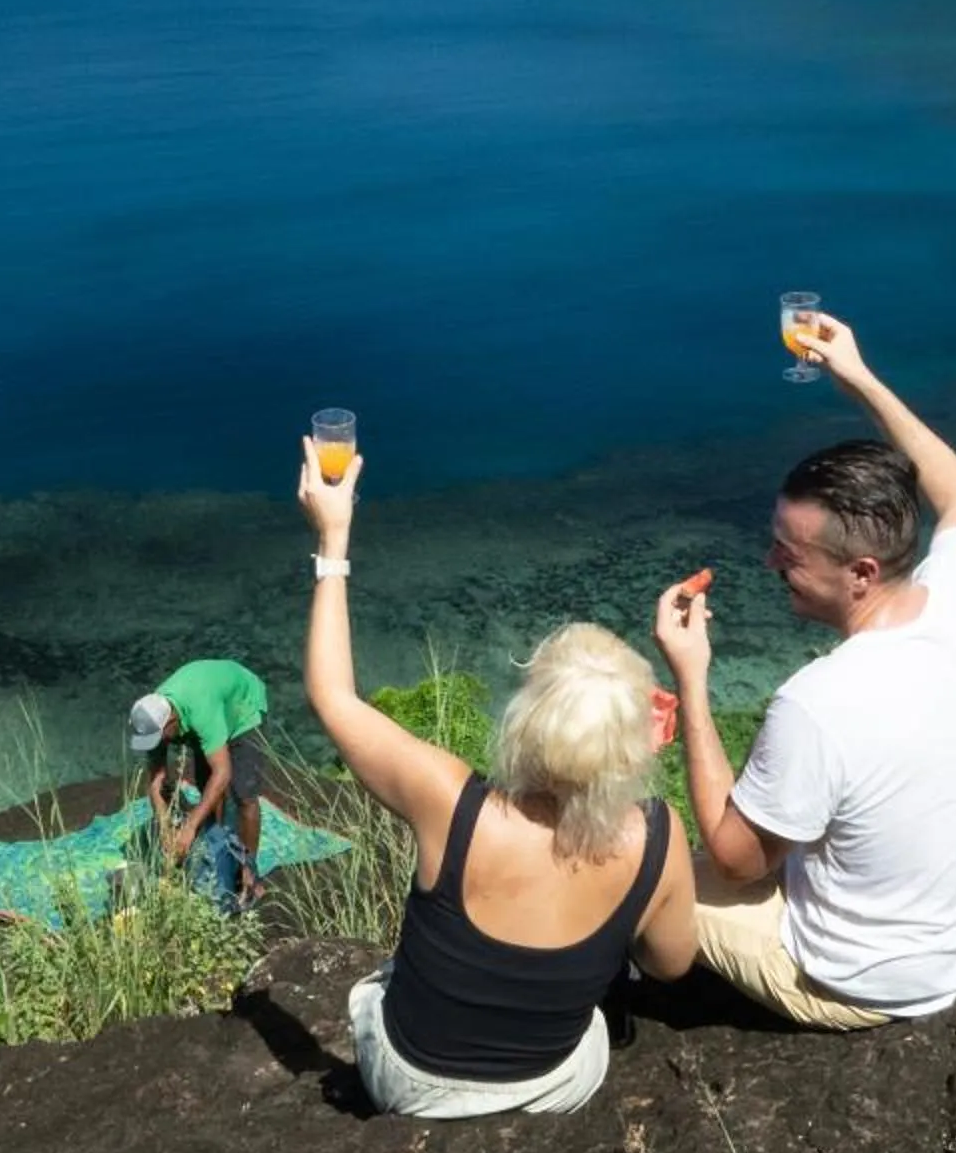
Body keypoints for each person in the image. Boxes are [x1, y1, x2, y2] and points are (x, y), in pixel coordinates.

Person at [299, 438, 697, 1118]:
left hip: (409, 1083)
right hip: (546, 1088)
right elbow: (670, 964)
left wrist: (333, 538)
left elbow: (333, 696)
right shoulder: (656, 838)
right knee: (595, 1028)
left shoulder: (452, 803)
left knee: (374, 992)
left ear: (527, 719)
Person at [653, 312, 956, 1029]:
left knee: (637, 873)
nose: (770, 563)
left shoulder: (819, 703)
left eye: (789, 555)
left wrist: (692, 678)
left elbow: (736, 860)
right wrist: (859, 378)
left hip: (860, 979)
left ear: (862, 573)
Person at [128, 656, 270, 910]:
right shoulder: (152, 717)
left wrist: (190, 825)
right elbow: (157, 779)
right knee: (208, 789)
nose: (156, 745)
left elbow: (223, 772)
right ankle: (217, 848)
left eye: (158, 738)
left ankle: (250, 872)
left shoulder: (199, 711)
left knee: (243, 794)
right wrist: (164, 827)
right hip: (206, 711)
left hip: (242, 707)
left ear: (171, 722)